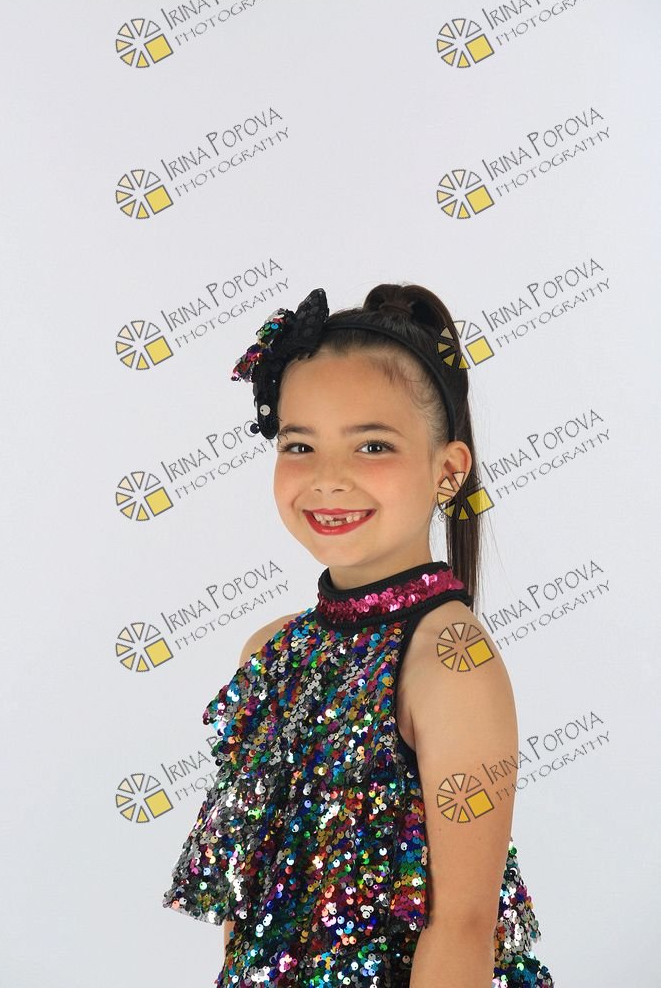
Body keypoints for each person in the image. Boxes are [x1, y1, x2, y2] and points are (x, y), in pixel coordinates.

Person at [162, 285, 555, 988]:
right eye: (299, 445)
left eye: (372, 445)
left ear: (447, 470)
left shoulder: (449, 664)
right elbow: (248, 910)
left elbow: (461, 927)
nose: (327, 478)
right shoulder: (273, 651)